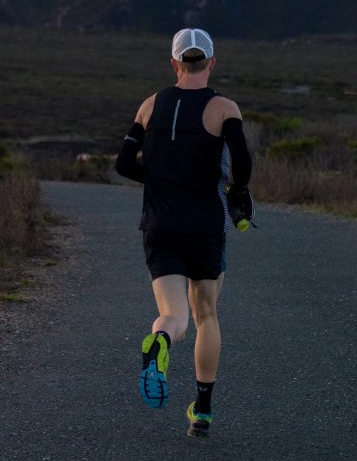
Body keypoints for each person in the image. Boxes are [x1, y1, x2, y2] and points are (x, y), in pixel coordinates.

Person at [115, 28, 254, 438]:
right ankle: (203, 411)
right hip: (204, 225)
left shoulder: (150, 105)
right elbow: (242, 166)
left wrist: (159, 182)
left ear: (174, 63)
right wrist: (238, 192)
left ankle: (159, 342)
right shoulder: (224, 108)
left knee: (173, 315)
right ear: (211, 61)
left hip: (159, 224)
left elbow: (123, 164)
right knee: (206, 314)